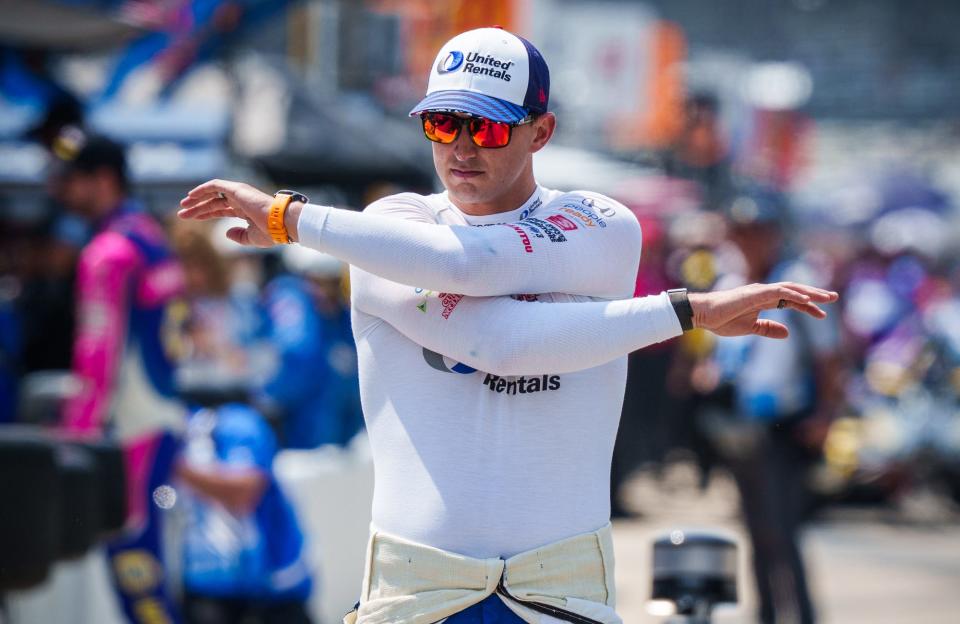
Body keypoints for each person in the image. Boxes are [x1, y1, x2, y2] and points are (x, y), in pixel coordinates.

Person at [178, 27, 838, 624]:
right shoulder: (392, 233)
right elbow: (495, 337)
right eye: (442, 123)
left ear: (540, 132)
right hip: (417, 595)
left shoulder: (602, 224)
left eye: (488, 128)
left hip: (562, 597)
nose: (461, 148)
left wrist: (290, 219)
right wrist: (683, 310)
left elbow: (478, 284)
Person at [178, 402, 313, 624]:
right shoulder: (174, 422)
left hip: (272, 584)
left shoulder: (240, 420)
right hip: (207, 585)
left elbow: (244, 491)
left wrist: (175, 467)